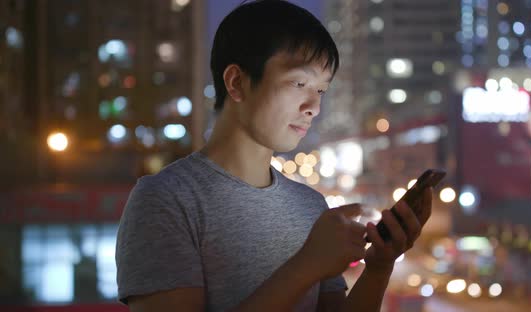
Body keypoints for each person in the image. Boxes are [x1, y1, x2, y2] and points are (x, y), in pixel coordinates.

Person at [115, 1, 433, 311]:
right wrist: (306, 265)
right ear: (237, 82)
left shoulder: (311, 206)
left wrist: (378, 268)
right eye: (299, 83)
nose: (314, 106)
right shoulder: (165, 200)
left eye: (321, 90)